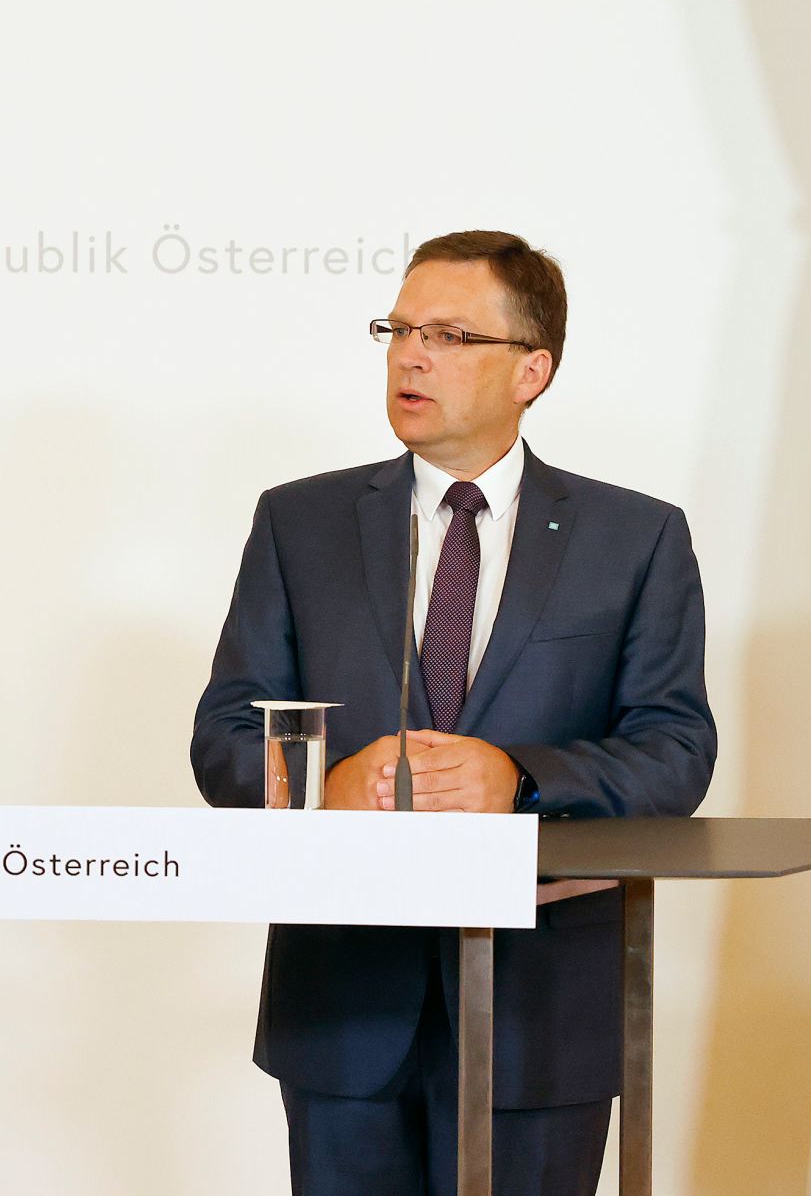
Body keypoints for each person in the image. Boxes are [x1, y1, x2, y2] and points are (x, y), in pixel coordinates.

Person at [190, 230, 716, 1196]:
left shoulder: (634, 538)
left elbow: (675, 750)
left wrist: (520, 777)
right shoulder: (299, 523)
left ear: (533, 370)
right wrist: (323, 783)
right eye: (398, 329)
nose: (410, 354)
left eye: (450, 334)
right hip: (344, 1007)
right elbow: (224, 733)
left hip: (540, 1009)